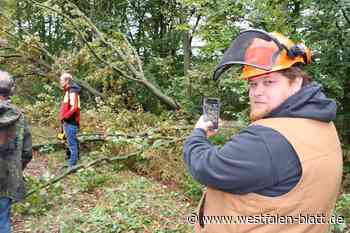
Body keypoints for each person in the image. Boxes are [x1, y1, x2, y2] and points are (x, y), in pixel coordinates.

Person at [184, 29, 343, 233]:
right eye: (253, 84)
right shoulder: (321, 123)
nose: (257, 92)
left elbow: (205, 167)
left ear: (296, 83)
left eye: (269, 82)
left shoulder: (267, 140)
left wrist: (198, 133)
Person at [0, 70, 32, 233]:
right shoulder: (20, 117)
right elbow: (27, 152)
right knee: (3, 219)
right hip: (7, 179)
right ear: (10, 90)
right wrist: (15, 169)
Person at [59, 72, 81, 168]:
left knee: (72, 143)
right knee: (68, 140)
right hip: (67, 122)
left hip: (71, 123)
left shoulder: (72, 91)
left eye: (61, 80)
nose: (60, 82)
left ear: (67, 81)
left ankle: (72, 164)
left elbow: (74, 107)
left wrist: (65, 117)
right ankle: (71, 158)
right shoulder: (68, 91)